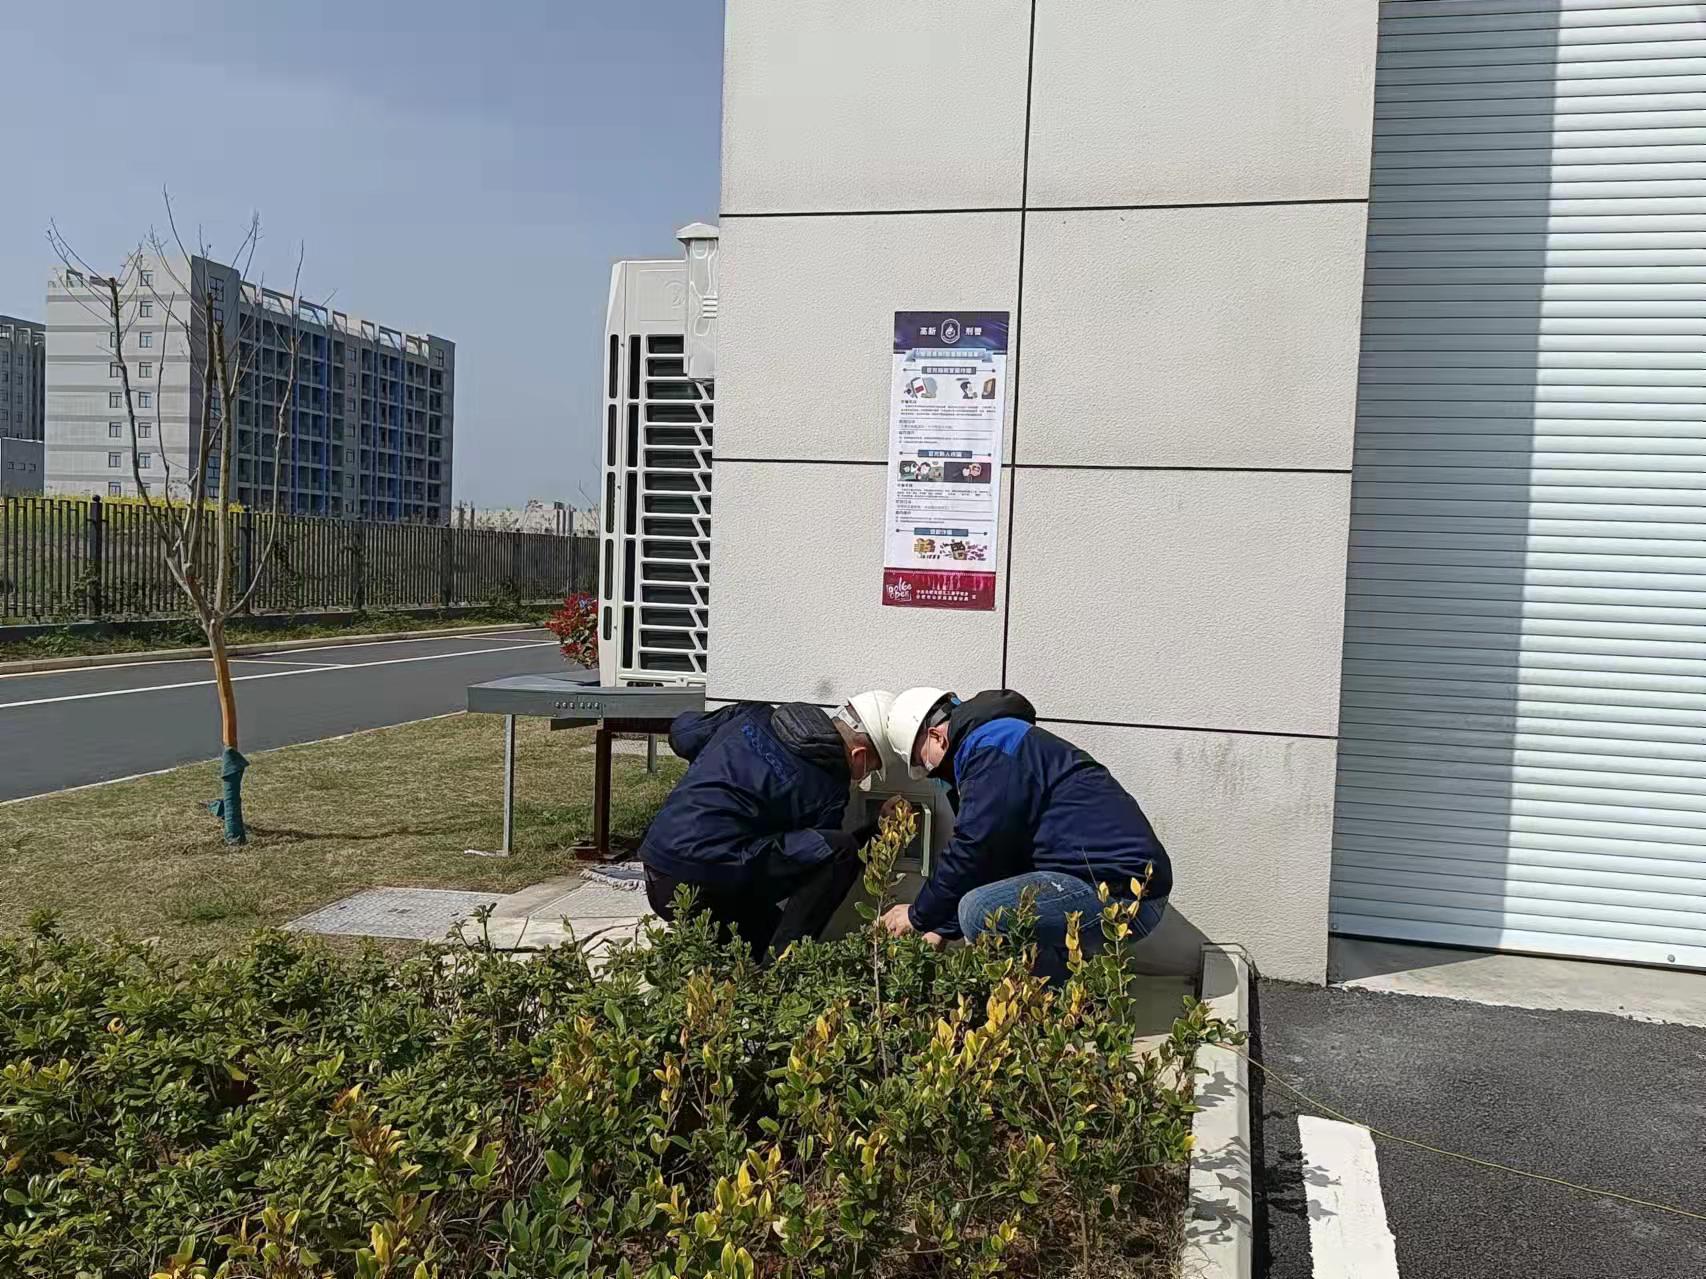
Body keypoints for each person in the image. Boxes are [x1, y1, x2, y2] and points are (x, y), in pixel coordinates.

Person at [878, 687, 1171, 980]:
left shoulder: (991, 751)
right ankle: (1065, 998)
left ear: (937, 737)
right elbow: (997, 861)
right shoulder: (999, 742)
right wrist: (942, 928)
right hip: (1121, 888)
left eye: (926, 765)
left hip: (1125, 900)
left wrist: (918, 916)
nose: (934, 775)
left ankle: (1047, 1006)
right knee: (992, 903)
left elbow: (975, 847)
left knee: (978, 911)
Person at [640, 691, 893, 960]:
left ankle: (758, 960)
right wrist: (878, 829)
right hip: (706, 889)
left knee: (764, 937)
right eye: (869, 769)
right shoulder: (829, 787)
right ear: (859, 754)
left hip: (659, 873)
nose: (864, 777)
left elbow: (683, 732)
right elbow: (820, 860)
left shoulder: (752, 714)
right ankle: (783, 969)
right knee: (840, 851)